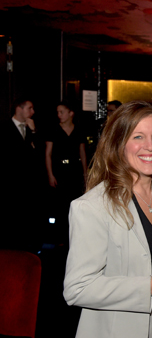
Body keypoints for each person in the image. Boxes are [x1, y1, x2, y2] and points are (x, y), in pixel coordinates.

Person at [63, 100, 152, 338]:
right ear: (119, 144)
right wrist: (148, 287)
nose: (150, 146)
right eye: (138, 137)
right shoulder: (92, 206)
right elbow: (77, 288)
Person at [1, 98, 43, 250]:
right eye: (29, 108)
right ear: (19, 108)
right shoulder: (4, 128)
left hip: (30, 183)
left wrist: (33, 132)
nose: (32, 112)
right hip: (12, 184)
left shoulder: (32, 128)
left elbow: (40, 153)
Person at [45, 100, 88, 241]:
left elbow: (82, 152)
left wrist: (85, 173)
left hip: (74, 170)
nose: (59, 115)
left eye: (61, 112)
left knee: (75, 202)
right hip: (59, 170)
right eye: (57, 112)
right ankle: (60, 237)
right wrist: (50, 174)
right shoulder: (53, 129)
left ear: (71, 113)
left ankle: (75, 235)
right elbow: (48, 154)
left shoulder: (79, 129)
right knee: (60, 204)